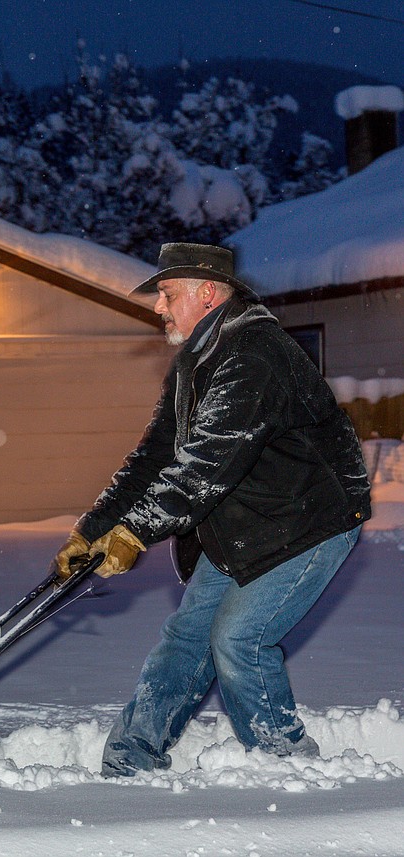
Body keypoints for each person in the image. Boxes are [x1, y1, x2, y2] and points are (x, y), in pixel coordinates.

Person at [53, 242, 371, 777]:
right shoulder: (194, 361)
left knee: (239, 640)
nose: (158, 306)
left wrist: (136, 532)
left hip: (308, 523)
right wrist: (95, 527)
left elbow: (205, 464)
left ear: (207, 293)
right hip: (244, 523)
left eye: (167, 293)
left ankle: (287, 766)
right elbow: (155, 456)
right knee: (187, 639)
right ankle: (129, 757)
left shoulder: (254, 355)